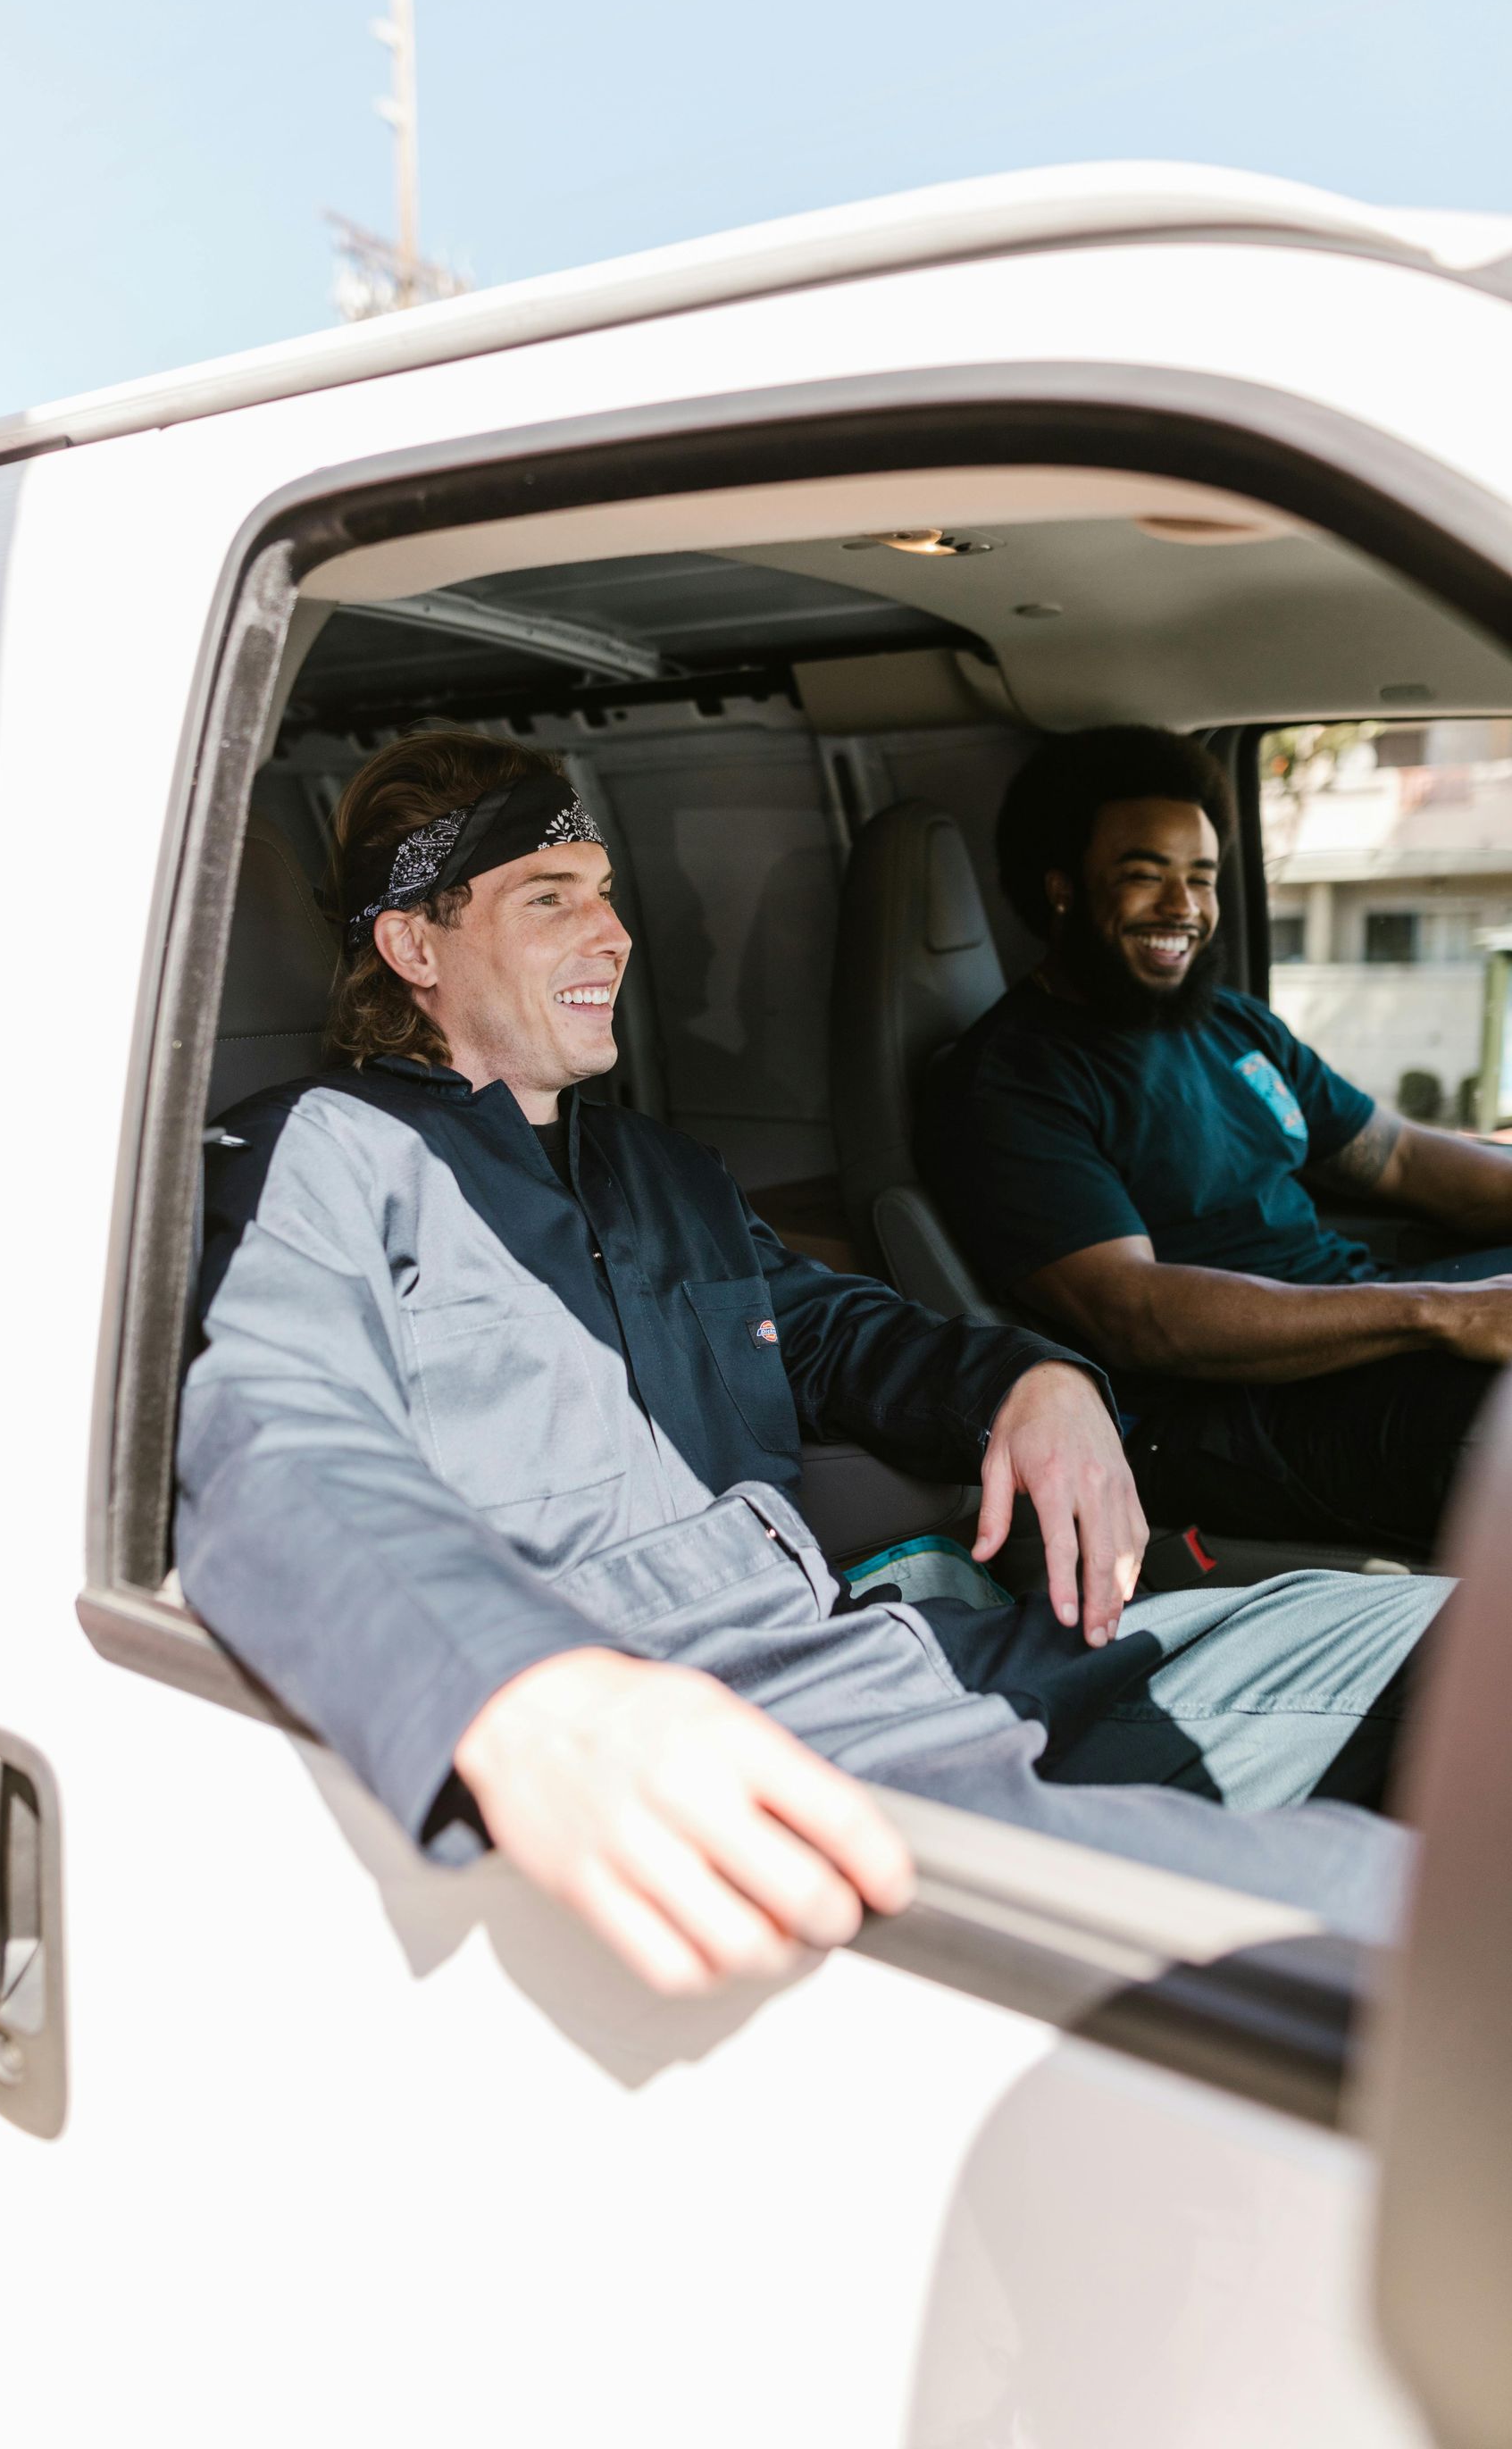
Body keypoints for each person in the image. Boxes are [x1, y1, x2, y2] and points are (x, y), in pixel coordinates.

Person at [177, 724, 1447, 1996]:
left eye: (607, 894)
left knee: (1464, 1632)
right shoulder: (322, 1153)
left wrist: (1031, 1381)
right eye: (551, 898)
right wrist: (517, 1692)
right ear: (413, 944)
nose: (614, 936)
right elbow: (274, 1437)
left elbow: (842, 1331)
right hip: (731, 1747)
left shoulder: (659, 1170)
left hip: (911, 1659)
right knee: (1401, 1919)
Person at [920, 724, 1512, 1559]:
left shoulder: (1232, 1024)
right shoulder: (1012, 1079)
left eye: (1200, 878)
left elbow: (1401, 1157)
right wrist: (1437, 1313)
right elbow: (1138, 1314)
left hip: (1358, 1331)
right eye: (1143, 877)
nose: (1184, 909)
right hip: (1224, 1416)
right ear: (1060, 889)